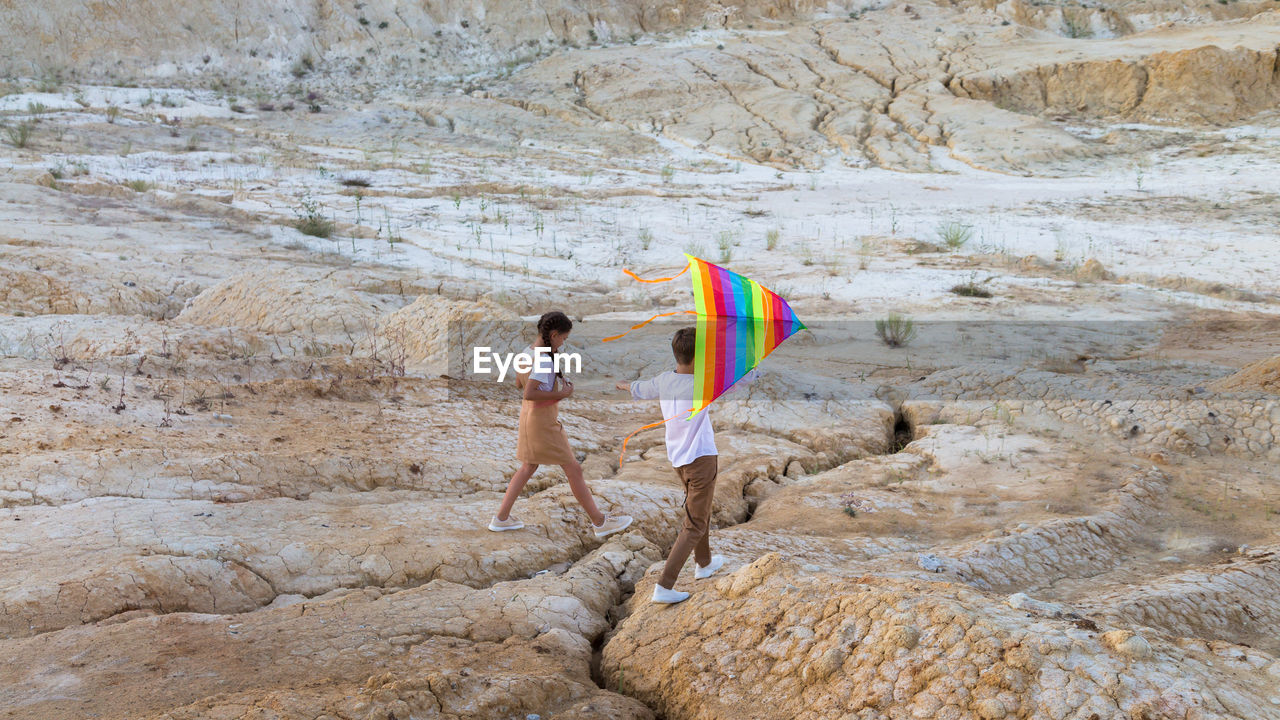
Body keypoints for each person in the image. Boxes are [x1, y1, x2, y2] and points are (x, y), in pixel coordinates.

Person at [616, 326, 751, 604]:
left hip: (678, 459)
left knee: (699, 513)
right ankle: (664, 586)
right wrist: (751, 364)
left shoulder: (666, 380)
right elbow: (740, 380)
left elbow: (641, 389)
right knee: (694, 524)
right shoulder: (705, 384)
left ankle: (704, 563)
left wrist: (624, 385)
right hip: (701, 459)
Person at [490, 310, 633, 538]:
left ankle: (501, 518)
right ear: (554, 335)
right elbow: (529, 393)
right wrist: (562, 393)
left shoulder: (527, 353)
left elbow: (518, 383)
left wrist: (551, 386)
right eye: (564, 339)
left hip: (528, 419)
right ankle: (599, 521)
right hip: (543, 422)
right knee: (573, 469)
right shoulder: (545, 360)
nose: (563, 344)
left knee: (529, 467)